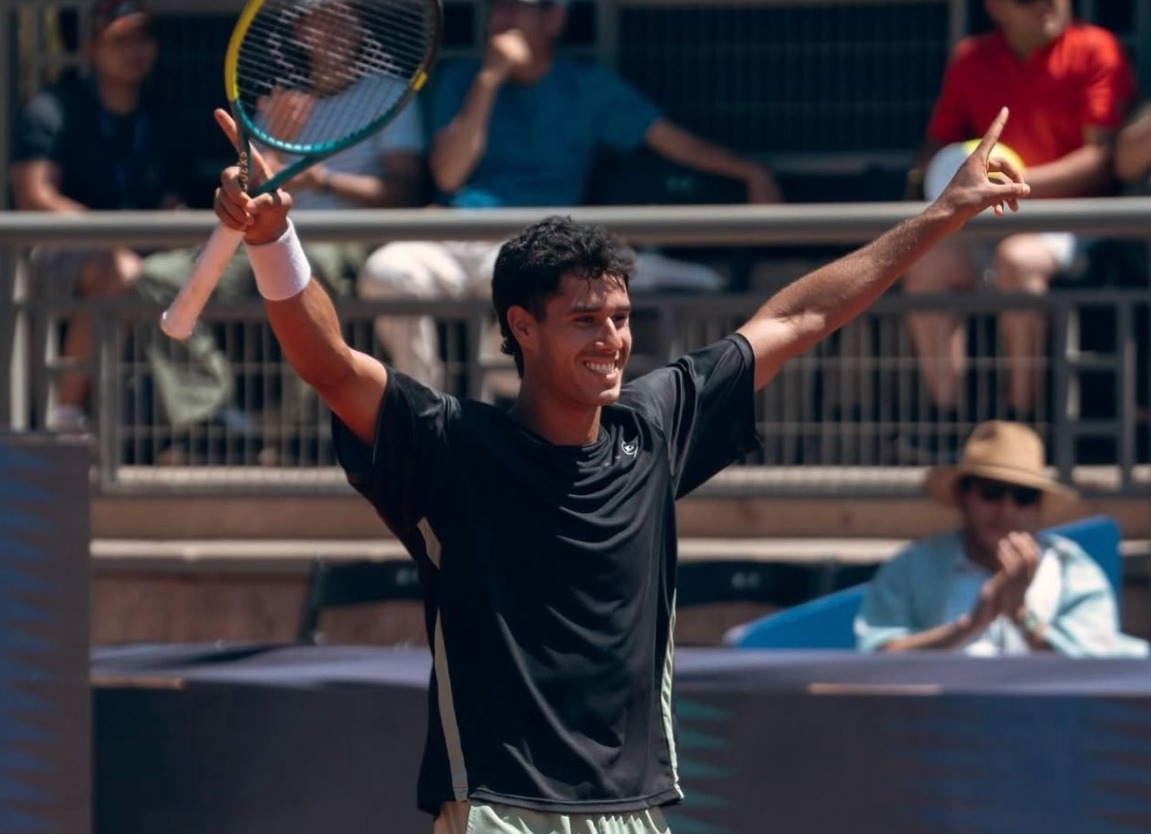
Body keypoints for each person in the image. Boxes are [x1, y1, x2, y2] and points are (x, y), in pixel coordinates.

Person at [212, 101, 1025, 832]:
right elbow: (329, 363)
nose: (611, 340)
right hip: (497, 808)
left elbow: (801, 314)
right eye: (584, 320)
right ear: (521, 327)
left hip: (633, 811)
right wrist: (274, 239)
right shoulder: (449, 446)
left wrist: (940, 216)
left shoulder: (656, 424)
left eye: (620, 318)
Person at [357, 0, 782, 390]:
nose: (502, 19)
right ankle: (424, 408)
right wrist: (490, 78)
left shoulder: (585, 85)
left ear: (554, 18)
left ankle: (499, 426)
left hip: (530, 244)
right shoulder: (463, 78)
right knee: (387, 272)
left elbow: (675, 141)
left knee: (514, 343)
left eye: (517, 7)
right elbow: (449, 176)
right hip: (455, 232)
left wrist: (749, 171)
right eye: (497, 8)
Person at [899, 0, 1135, 460]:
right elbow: (937, 142)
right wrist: (936, 175)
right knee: (928, 262)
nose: (1047, 3)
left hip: (1072, 223)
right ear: (996, 7)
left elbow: (1102, 160)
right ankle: (946, 426)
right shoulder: (972, 58)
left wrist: (1015, 185)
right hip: (990, 219)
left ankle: (1019, 426)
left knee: (1018, 259)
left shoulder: (1095, 48)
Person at [9, 0, 192, 432]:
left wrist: (176, 222)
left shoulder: (162, 112)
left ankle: (204, 421)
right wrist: (108, 235)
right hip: (61, 248)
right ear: (91, 47)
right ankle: (65, 414)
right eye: (120, 39)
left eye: (143, 37)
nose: (135, 50)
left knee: (203, 270)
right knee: (118, 269)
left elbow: (172, 196)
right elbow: (33, 196)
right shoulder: (53, 106)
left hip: (145, 249)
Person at [856, 420, 1148, 657]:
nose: (1007, 511)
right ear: (963, 496)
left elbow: (1097, 673)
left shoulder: (1071, 568)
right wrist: (970, 625)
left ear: (1038, 506)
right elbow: (876, 661)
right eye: (991, 492)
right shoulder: (913, 567)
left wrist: (1023, 618)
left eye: (1024, 496)